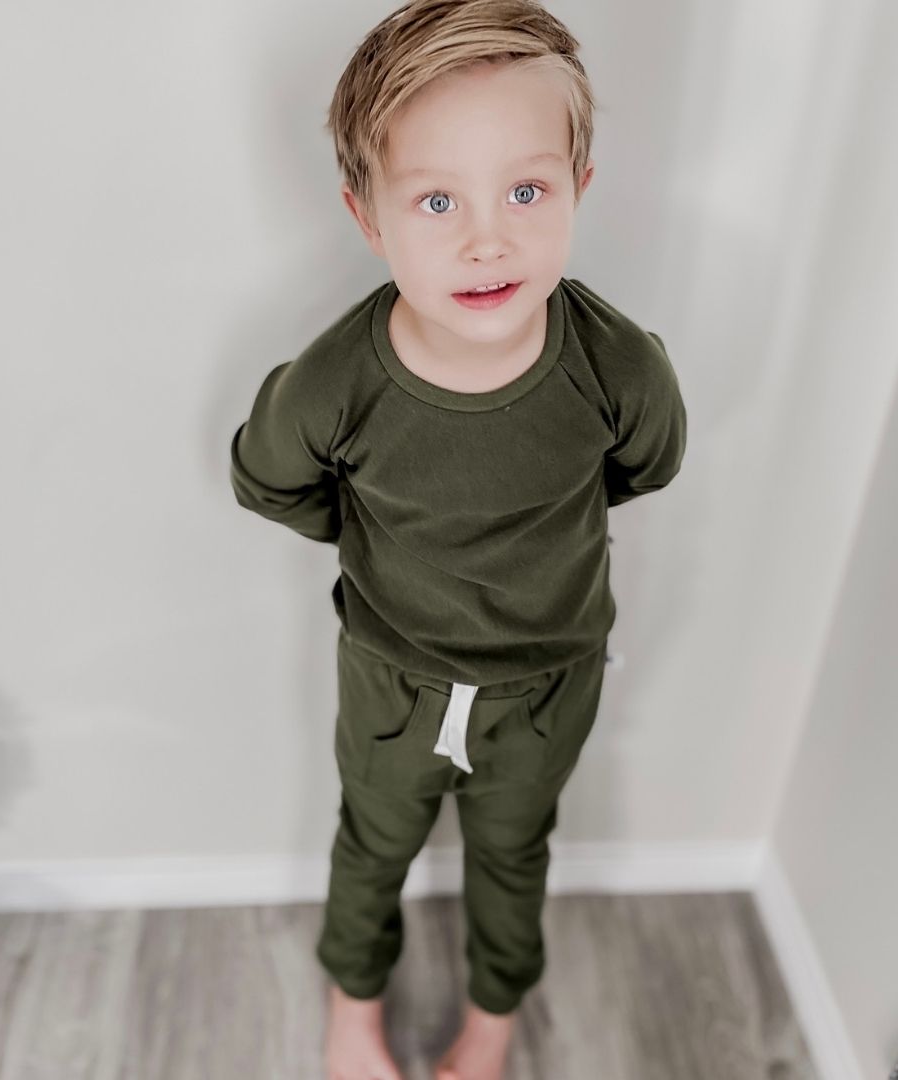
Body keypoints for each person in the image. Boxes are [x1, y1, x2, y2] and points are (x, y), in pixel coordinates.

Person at [229, 1, 688, 1076]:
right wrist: (376, 543)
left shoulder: (620, 369)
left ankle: (492, 1019)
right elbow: (269, 484)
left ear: (579, 186)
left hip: (548, 685)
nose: (489, 238)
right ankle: (354, 1004)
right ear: (368, 216)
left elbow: (643, 467)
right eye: (436, 199)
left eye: (526, 190)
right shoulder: (333, 385)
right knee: (372, 845)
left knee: (514, 854)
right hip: (393, 682)